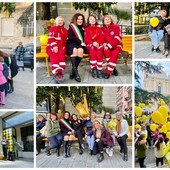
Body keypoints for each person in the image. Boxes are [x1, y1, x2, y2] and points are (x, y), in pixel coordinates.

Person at [46, 16, 68, 84]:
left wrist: (63, 47)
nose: (60, 22)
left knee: (61, 55)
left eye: (61, 20)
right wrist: (54, 46)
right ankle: (58, 72)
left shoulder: (65, 30)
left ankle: (59, 72)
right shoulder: (52, 29)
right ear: (56, 22)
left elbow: (65, 40)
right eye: (59, 20)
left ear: (63, 22)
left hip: (61, 47)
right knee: (54, 55)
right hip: (52, 46)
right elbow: (51, 38)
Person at [67, 13, 88, 82]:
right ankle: (76, 73)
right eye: (78, 19)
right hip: (72, 43)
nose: (80, 20)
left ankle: (73, 70)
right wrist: (80, 42)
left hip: (80, 44)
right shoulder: (72, 27)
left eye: (81, 19)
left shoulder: (84, 28)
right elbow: (71, 37)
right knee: (74, 50)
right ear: (75, 19)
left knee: (80, 51)